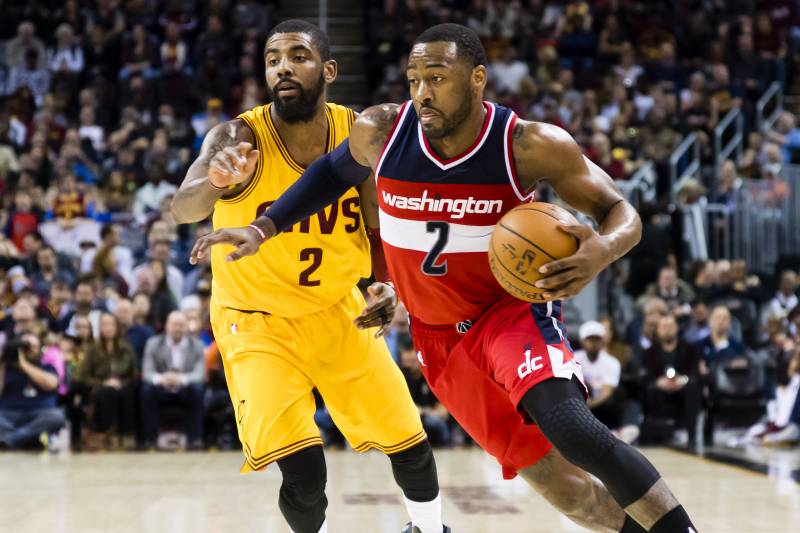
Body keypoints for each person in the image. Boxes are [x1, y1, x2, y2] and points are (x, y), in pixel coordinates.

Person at [193, 23, 697, 533]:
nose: (422, 92)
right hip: (437, 339)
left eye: (437, 77)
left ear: (477, 78)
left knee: (570, 426)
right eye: (414, 78)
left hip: (507, 313)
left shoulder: (528, 145)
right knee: (567, 492)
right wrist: (263, 226)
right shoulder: (383, 130)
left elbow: (620, 211)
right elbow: (327, 174)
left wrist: (601, 251)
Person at [173, 20, 446, 533]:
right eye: (273, 58)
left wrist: (384, 283)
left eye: (297, 56)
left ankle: (431, 529)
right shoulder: (239, 135)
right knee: (304, 470)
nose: (283, 67)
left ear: (328, 69)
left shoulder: (358, 132)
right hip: (255, 322)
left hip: (338, 309)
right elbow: (182, 208)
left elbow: (375, 222)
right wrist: (214, 180)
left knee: (408, 440)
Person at [140, 310, 205, 449]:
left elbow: (200, 374)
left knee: (198, 390)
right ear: (167, 326)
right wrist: (162, 378)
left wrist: (181, 379)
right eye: (174, 324)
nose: (177, 328)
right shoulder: (153, 343)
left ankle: (195, 439)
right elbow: (147, 372)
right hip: (161, 387)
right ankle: (150, 439)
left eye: (181, 325)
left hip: (185, 387)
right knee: (146, 391)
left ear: (187, 327)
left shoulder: (197, 345)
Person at [574, 321, 641, 444]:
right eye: (590, 339)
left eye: (597, 339)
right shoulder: (574, 359)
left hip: (601, 405)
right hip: (581, 405)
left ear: (603, 341)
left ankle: (628, 431)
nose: (593, 343)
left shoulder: (611, 362)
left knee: (631, 404)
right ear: (582, 341)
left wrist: (590, 404)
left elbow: (607, 391)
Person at [642, 315, 703, 447]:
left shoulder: (689, 349)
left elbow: (695, 374)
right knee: (651, 390)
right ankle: (659, 434)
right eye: (664, 327)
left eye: (670, 327)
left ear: (677, 328)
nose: (667, 330)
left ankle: (691, 435)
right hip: (660, 388)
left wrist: (683, 380)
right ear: (657, 330)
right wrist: (659, 382)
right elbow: (645, 376)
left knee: (692, 387)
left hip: (682, 387)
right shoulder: (649, 352)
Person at [79, 313, 137, 448]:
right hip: (100, 386)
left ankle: (125, 433)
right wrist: (104, 383)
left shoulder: (127, 349)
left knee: (127, 392)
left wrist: (121, 383)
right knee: (106, 393)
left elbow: (133, 374)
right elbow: (83, 376)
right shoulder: (92, 349)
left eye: (111, 324)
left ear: (117, 327)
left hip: (123, 385)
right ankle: (105, 432)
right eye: (104, 324)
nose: (108, 328)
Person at [0, 334, 65, 449]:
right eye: (25, 346)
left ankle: (11, 439)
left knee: (57, 417)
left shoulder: (47, 367)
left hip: (40, 414)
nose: (29, 350)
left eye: (33, 346)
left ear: (39, 349)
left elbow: (51, 384)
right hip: (8, 414)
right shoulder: (5, 369)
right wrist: (2, 363)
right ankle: (30, 438)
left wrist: (24, 365)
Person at [398, 334, 451, 446]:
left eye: (412, 362)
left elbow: (443, 412)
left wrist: (422, 411)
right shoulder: (399, 376)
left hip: (427, 420)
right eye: (406, 362)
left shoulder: (432, 374)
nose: (409, 366)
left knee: (434, 422)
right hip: (405, 420)